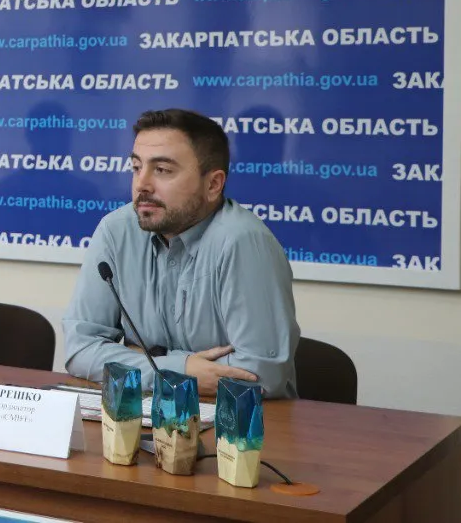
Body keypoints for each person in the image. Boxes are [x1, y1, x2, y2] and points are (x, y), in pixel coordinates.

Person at [63, 108, 299, 397]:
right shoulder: (116, 231)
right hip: (148, 411)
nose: (142, 184)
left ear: (213, 184)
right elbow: (81, 349)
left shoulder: (243, 242)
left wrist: (142, 357)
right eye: (136, 167)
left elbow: (262, 373)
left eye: (162, 170)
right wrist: (181, 368)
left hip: (241, 420)